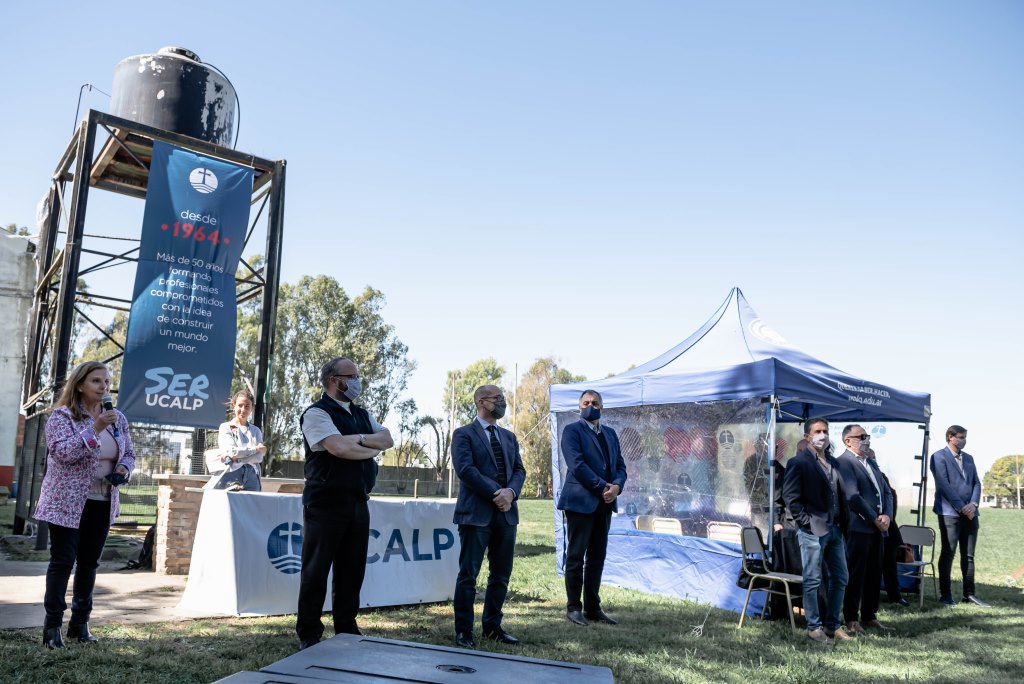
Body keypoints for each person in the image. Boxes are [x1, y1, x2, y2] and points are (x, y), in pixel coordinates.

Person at [34, 361, 136, 649]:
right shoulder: (61, 417)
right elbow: (63, 453)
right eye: (96, 381)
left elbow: (129, 452)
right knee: (63, 562)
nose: (104, 387)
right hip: (66, 502)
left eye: (106, 381)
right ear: (80, 384)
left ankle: (80, 624)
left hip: (102, 501)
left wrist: (125, 469)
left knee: (89, 564)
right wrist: (94, 428)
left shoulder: (117, 418)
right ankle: (52, 627)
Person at [296, 357, 393, 650]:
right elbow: (336, 447)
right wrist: (368, 447)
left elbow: (387, 439)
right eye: (351, 376)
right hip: (325, 502)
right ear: (333, 380)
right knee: (316, 569)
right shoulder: (316, 413)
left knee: (352, 571)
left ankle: (346, 628)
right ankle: (310, 632)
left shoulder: (362, 414)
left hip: (357, 501)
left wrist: (359, 441)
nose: (357, 381)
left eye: (357, 375)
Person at [451, 385, 526, 649]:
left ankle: (493, 627)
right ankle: (464, 632)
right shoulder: (463, 434)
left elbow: (519, 469)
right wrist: (498, 493)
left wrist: (511, 493)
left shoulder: (509, 436)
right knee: (468, 575)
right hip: (476, 515)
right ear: (482, 402)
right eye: (498, 399)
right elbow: (466, 470)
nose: (503, 402)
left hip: (506, 516)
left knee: (501, 574)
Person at [558, 390, 628, 627]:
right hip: (580, 502)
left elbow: (620, 465)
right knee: (576, 556)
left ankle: (593, 607)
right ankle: (573, 607)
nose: (590, 406)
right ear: (579, 408)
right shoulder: (572, 431)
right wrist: (602, 487)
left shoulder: (610, 434)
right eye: (586, 403)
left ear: (602, 407)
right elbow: (576, 465)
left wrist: (617, 486)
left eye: (595, 403)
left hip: (605, 503)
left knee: (597, 556)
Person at [782, 417, 850, 644]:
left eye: (826, 431)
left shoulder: (833, 462)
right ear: (807, 436)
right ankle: (814, 627)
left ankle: (832, 625)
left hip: (835, 529)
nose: (823, 435)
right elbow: (790, 496)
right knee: (812, 579)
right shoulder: (798, 462)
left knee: (840, 577)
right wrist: (806, 522)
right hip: (813, 529)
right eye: (818, 431)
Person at [835, 425, 893, 633]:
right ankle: (851, 618)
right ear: (847, 441)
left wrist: (887, 515)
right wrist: (873, 518)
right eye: (861, 437)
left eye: (867, 436)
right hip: (859, 528)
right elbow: (852, 496)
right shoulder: (844, 462)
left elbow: (886, 492)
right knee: (856, 574)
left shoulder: (871, 462)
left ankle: (869, 615)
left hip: (879, 528)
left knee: (874, 573)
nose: (866, 440)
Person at [930, 424, 987, 607]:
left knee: (968, 556)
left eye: (965, 437)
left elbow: (976, 483)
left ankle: (969, 594)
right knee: (948, 553)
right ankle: (945, 595)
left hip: (971, 513)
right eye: (961, 437)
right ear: (950, 437)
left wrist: (973, 504)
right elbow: (943, 485)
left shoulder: (969, 458)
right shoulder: (938, 457)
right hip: (949, 514)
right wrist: (961, 507)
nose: (964, 440)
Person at [867, 446, 909, 606]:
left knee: (889, 566)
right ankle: (871, 596)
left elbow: (891, 496)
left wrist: (887, 518)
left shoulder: (881, 476)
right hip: (869, 528)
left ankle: (895, 596)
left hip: (887, 529)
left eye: (873, 458)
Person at [212, 390, 266, 491]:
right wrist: (255, 449)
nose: (243, 409)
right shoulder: (225, 427)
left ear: (252, 408)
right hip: (231, 474)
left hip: (253, 477)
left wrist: (237, 458)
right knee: (229, 506)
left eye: (247, 406)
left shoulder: (256, 430)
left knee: (251, 506)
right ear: (234, 405)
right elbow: (232, 451)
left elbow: (259, 458)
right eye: (240, 405)